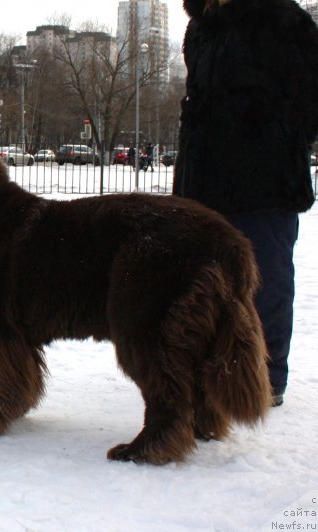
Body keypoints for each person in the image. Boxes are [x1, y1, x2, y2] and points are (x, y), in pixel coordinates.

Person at [173, 0, 318, 407]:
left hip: (265, 179)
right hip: (202, 180)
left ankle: (265, 377)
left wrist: (278, 133)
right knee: (200, 280)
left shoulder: (283, 20)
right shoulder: (200, 28)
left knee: (265, 278)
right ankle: (206, 373)